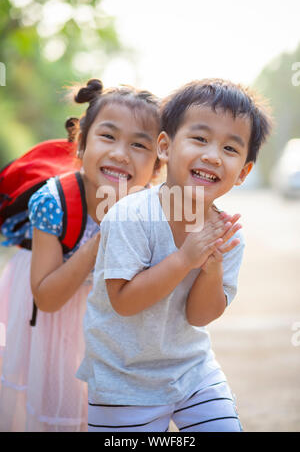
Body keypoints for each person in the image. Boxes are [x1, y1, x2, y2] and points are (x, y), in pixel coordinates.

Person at [77, 78, 272, 432]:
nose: (213, 155)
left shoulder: (225, 235)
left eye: (230, 149)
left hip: (192, 371)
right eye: (200, 139)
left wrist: (211, 269)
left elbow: (199, 317)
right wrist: (185, 259)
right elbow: (123, 301)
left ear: (243, 172)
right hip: (123, 378)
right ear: (165, 147)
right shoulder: (129, 215)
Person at [0, 79, 161, 432]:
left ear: (157, 165)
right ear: (81, 144)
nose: (121, 153)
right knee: (51, 401)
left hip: (104, 310)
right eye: (108, 136)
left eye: (139, 144)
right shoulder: (54, 203)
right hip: (46, 302)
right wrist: (104, 238)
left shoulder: (154, 211)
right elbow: (47, 298)